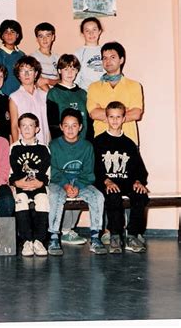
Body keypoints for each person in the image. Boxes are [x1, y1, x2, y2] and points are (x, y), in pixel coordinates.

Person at [47, 108, 106, 256]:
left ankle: (94, 237)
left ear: (80, 127)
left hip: (80, 182)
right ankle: (54, 237)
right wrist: (66, 185)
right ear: (61, 127)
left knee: (97, 196)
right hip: (59, 182)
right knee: (54, 196)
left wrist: (77, 186)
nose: (70, 129)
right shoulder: (53, 145)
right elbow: (53, 171)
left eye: (74, 125)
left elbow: (88, 174)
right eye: (66, 125)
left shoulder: (87, 146)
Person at [93, 101, 149, 253]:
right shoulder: (98, 142)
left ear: (124, 118)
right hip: (106, 182)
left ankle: (132, 235)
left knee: (140, 194)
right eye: (111, 117)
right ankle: (115, 235)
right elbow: (94, 168)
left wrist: (139, 181)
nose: (115, 120)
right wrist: (106, 180)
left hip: (126, 182)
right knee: (113, 194)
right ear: (106, 118)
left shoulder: (129, 143)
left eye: (118, 117)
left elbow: (140, 169)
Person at [9, 113, 50, 257]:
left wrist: (40, 182)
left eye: (30, 126)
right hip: (21, 186)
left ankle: (39, 240)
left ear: (37, 129)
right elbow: (10, 170)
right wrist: (16, 182)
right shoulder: (14, 148)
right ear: (19, 128)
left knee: (43, 201)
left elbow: (47, 171)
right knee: (20, 201)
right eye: (23, 126)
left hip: (38, 185)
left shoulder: (43, 148)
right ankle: (26, 240)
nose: (27, 129)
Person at [87, 41, 143, 145]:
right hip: (101, 143)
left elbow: (136, 114)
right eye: (105, 58)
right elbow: (94, 113)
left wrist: (105, 113)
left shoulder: (134, 86)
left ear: (121, 60)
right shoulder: (93, 87)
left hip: (129, 142)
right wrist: (123, 112)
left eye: (112, 57)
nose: (108, 61)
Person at [47, 54, 93, 141]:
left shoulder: (83, 94)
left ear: (77, 71)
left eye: (73, 69)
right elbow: (53, 125)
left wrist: (89, 142)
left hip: (83, 143)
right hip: (63, 144)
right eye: (66, 69)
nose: (70, 73)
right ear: (59, 71)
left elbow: (89, 122)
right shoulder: (53, 93)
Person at [9, 56, 50, 145]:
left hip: (43, 144)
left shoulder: (44, 95)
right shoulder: (14, 97)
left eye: (30, 70)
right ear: (18, 75)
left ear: (35, 74)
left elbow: (47, 122)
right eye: (23, 71)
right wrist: (17, 147)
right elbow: (14, 125)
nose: (27, 74)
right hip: (24, 145)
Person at [0, 19, 25, 96]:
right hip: (4, 95)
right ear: (2, 36)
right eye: (6, 32)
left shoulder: (22, 55)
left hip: (21, 94)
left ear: (17, 35)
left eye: (12, 32)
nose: (9, 35)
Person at [74, 17, 104, 91]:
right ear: (83, 33)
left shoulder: (105, 51)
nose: (91, 33)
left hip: (104, 92)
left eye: (94, 29)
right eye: (87, 31)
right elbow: (75, 78)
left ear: (99, 31)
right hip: (86, 93)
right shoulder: (79, 53)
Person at [31, 22, 60, 92]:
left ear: (53, 37)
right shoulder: (33, 58)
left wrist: (47, 80)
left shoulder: (57, 58)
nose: (44, 39)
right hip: (42, 95)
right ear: (37, 39)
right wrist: (51, 96)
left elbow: (62, 80)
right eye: (41, 36)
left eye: (48, 35)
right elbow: (39, 81)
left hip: (56, 94)